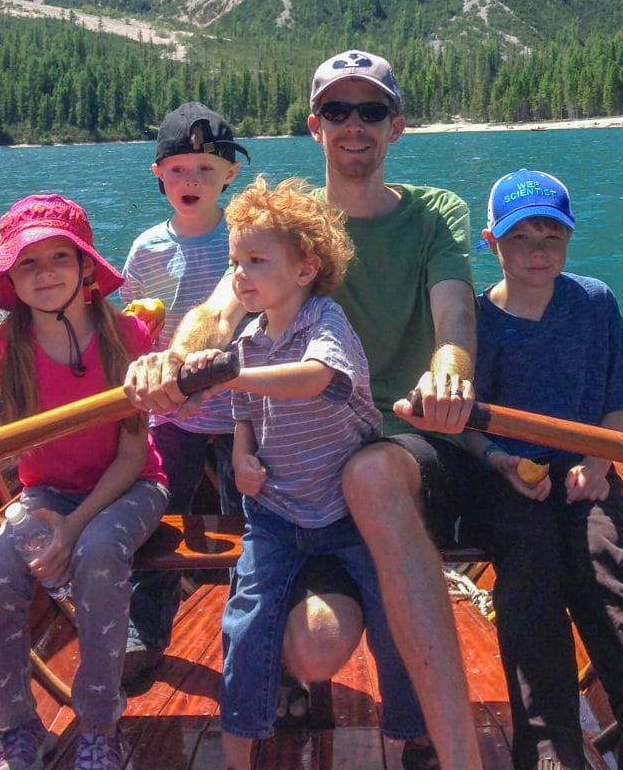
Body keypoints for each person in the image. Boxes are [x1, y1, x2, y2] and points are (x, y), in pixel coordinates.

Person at [125, 49, 484, 770]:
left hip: (406, 450)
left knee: (374, 476)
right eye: (339, 112)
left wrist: (450, 372)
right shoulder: (289, 228)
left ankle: (450, 752)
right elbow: (220, 313)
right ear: (315, 126)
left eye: (372, 111)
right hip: (304, 483)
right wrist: (176, 358)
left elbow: (455, 322)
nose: (356, 125)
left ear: (397, 127)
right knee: (316, 648)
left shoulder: (436, 212)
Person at [0, 194, 168, 770]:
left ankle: (100, 725)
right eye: (27, 262)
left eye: (59, 256)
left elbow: (133, 457)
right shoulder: (2, 349)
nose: (44, 272)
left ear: (85, 268)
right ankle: (15, 727)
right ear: (11, 276)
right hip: (46, 493)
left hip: (131, 487)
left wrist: (73, 529)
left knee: (99, 553)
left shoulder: (125, 336)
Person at [186, 174, 427, 769]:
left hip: (349, 517)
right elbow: (244, 412)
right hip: (275, 514)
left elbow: (316, 377)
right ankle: (239, 751)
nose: (239, 273)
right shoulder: (249, 336)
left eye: (256, 260)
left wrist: (224, 374)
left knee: (396, 616)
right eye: (235, 260)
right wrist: (242, 453)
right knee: (246, 625)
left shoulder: (324, 323)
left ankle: (406, 737)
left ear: (304, 269)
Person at [467, 169, 623, 770]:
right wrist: (501, 462)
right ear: (492, 243)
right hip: (511, 480)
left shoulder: (594, 302)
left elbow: (620, 401)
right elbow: (465, 427)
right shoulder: (478, 323)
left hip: (590, 473)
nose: (537, 251)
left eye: (551, 237)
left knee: (608, 571)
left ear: (568, 240)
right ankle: (548, 748)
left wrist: (600, 460)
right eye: (520, 239)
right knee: (530, 573)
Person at [120, 101, 249, 684]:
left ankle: (255, 634)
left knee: (254, 523)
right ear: (157, 176)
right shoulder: (147, 249)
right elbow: (134, 330)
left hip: (248, 410)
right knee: (159, 522)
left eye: (204, 169)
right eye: (177, 170)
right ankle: (145, 630)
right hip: (174, 414)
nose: (190, 181)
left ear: (230, 176)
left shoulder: (244, 238)